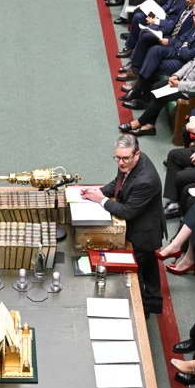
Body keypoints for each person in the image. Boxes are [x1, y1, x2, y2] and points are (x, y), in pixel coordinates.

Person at [80, 135, 164, 316]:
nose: (121, 162)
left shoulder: (145, 180)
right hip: (141, 224)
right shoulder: (131, 163)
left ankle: (143, 312)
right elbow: (119, 183)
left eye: (125, 158)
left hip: (143, 233)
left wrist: (101, 200)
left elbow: (127, 212)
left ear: (137, 155)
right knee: (149, 266)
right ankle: (154, 302)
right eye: (117, 158)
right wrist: (99, 191)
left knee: (134, 273)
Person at [120, 29, 195, 139]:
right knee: (155, 87)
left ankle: (139, 122)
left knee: (161, 96)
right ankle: (149, 125)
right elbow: (192, 62)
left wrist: (180, 85)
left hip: (193, 92)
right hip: (183, 81)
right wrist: (177, 75)